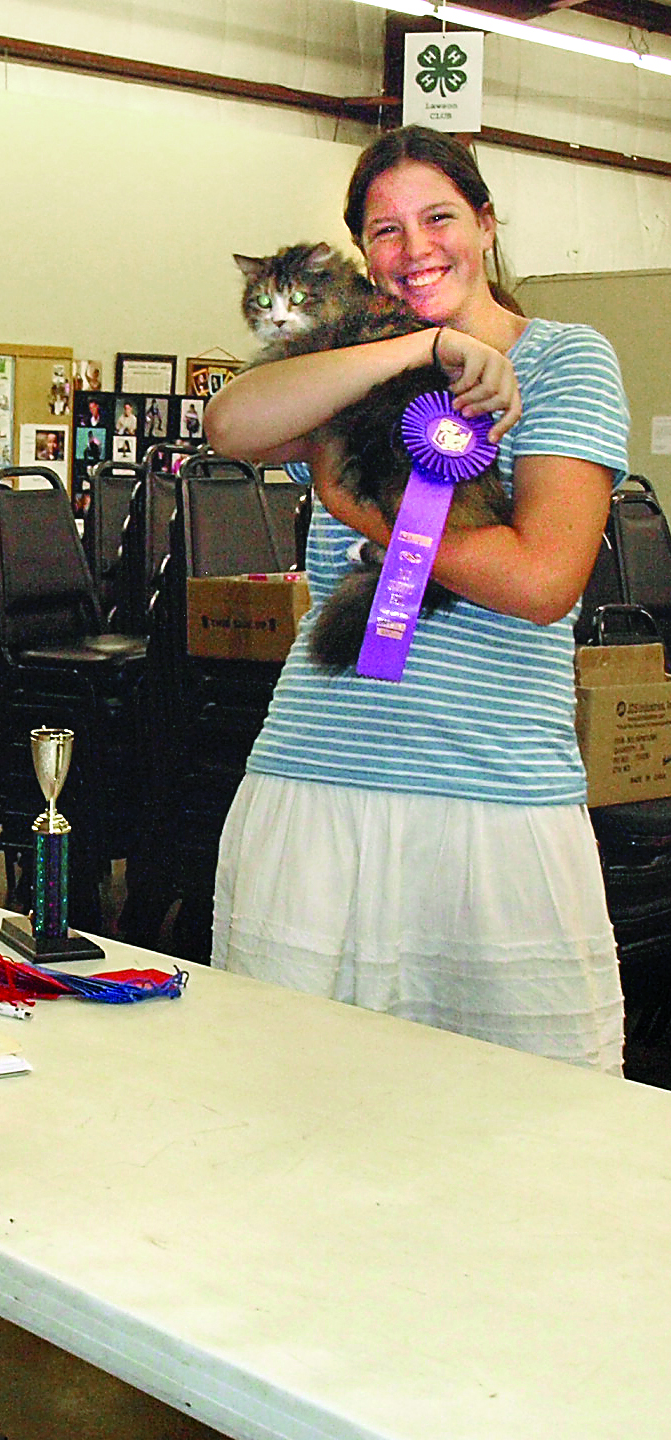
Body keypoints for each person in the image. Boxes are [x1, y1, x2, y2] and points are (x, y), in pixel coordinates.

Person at [203, 125, 629, 1072]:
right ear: (362, 251)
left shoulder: (566, 361)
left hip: (495, 795)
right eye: (384, 231)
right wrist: (417, 349)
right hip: (315, 777)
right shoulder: (350, 357)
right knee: (287, 1101)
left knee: (527, 1124)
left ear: (483, 222)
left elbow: (540, 581)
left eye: (438, 217)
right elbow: (231, 423)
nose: (415, 247)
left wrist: (363, 510)